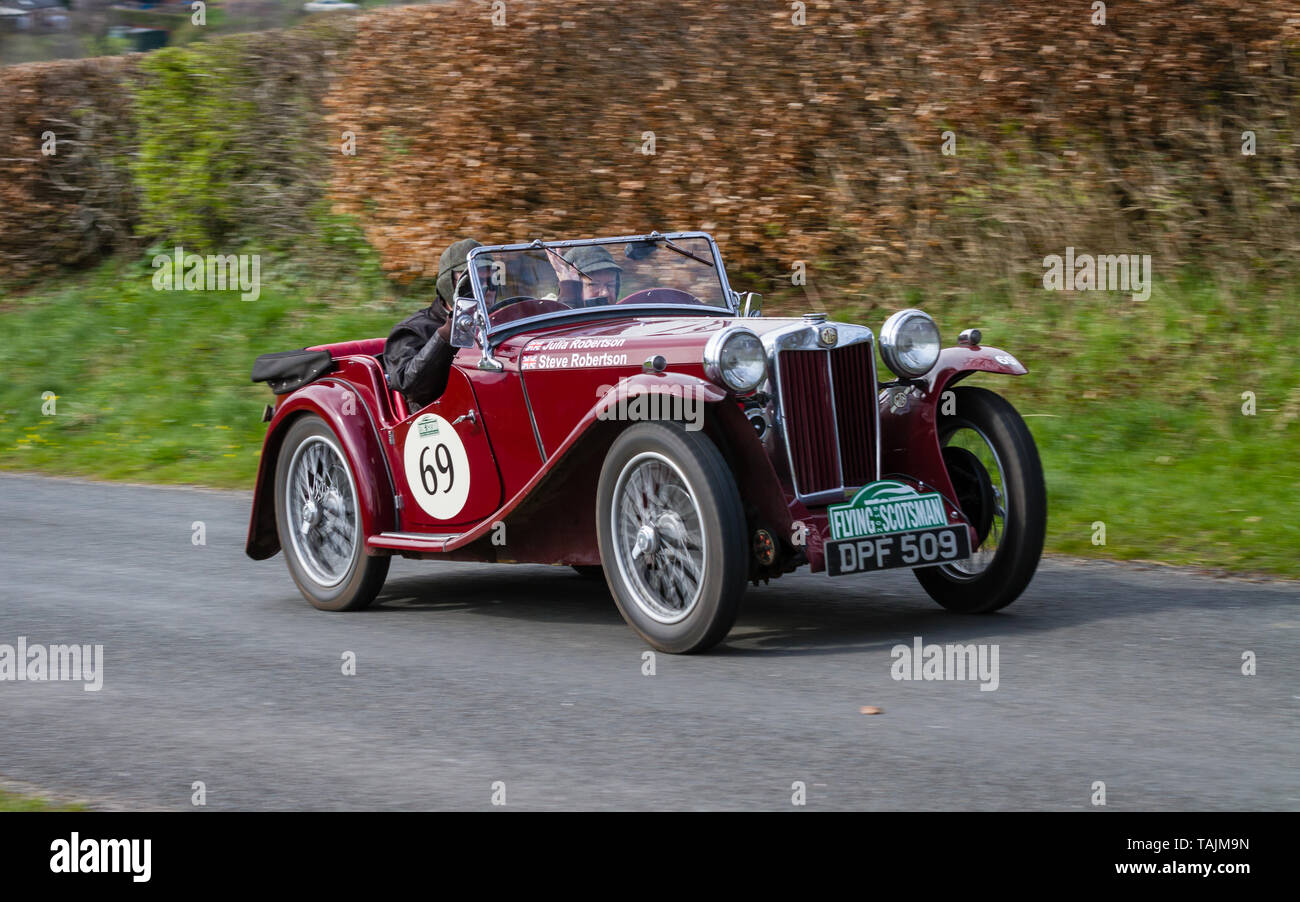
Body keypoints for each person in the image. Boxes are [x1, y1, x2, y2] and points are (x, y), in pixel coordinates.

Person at [384, 238, 496, 410]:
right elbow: (409, 386)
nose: (487, 289)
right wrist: (448, 334)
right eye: (475, 281)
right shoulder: (413, 329)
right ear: (450, 284)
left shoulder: (496, 320)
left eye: (490, 281)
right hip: (441, 419)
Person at [547, 244, 623, 307]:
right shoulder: (547, 311)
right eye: (593, 285)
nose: (605, 293)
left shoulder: (625, 317)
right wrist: (569, 294)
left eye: (610, 285)